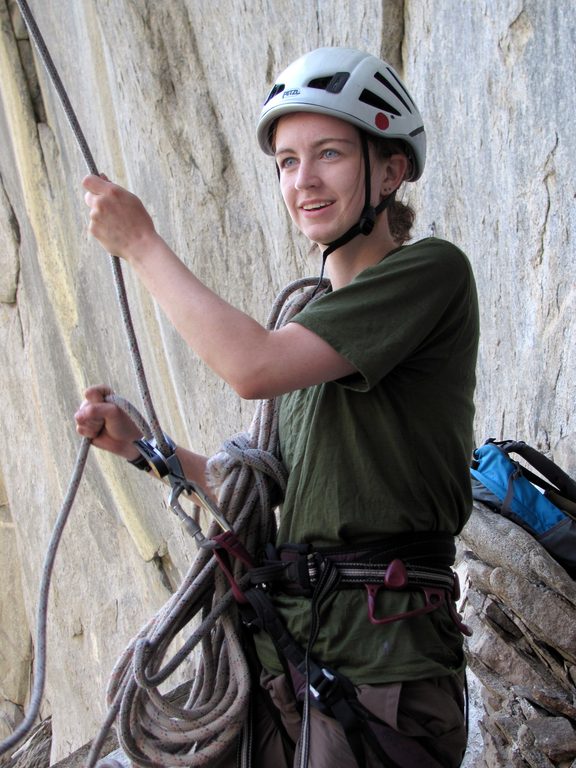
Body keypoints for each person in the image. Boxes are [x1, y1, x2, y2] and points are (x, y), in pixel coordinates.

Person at [75, 47, 479, 768]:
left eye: (329, 153)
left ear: (390, 170)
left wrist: (140, 243)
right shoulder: (314, 333)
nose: (305, 181)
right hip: (296, 657)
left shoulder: (430, 274)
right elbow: (266, 498)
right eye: (287, 162)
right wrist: (148, 449)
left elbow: (250, 367)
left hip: (381, 668)